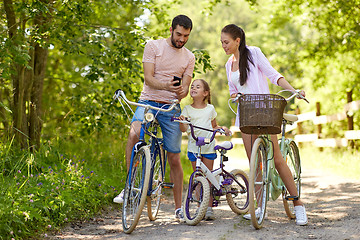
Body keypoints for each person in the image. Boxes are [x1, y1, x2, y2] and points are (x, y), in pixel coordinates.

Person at [220, 24, 308, 226]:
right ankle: (259, 207)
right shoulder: (228, 64)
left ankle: (298, 204)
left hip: (265, 112)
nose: (223, 46)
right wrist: (234, 96)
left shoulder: (253, 53)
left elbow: (273, 75)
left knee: (277, 159)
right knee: (255, 164)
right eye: (222, 42)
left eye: (226, 42)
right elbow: (233, 89)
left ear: (237, 41)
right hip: (245, 115)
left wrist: (294, 91)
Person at [113, 15, 196, 222]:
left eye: (186, 36)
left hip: (171, 107)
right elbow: (148, 78)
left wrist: (181, 91)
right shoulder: (153, 46)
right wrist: (166, 86)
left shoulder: (189, 57)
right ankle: (129, 187)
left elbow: (185, 88)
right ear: (171, 29)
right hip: (148, 101)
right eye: (179, 34)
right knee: (133, 134)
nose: (182, 39)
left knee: (175, 157)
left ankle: (179, 208)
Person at [179, 79, 231, 220]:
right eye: (192, 86)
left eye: (198, 86)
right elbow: (183, 129)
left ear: (205, 93)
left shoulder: (210, 109)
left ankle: (208, 207)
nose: (193, 88)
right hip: (194, 148)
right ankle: (199, 207)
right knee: (197, 178)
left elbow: (214, 126)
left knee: (208, 177)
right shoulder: (187, 110)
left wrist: (222, 129)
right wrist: (182, 121)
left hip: (208, 146)